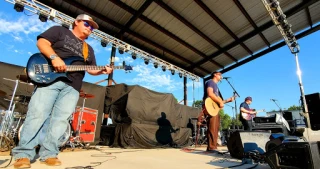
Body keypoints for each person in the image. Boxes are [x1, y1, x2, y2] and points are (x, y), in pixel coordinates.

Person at [12, 14, 113, 168]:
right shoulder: (60, 31)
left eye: (92, 27)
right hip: (50, 79)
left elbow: (91, 70)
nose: (90, 29)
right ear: (77, 22)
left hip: (72, 87)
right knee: (37, 114)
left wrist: (102, 71)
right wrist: (54, 58)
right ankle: (23, 154)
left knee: (60, 120)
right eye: (87, 24)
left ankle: (49, 153)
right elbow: (42, 42)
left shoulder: (89, 49)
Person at [197, 71, 234, 152]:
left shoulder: (216, 86)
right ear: (215, 74)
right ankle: (211, 147)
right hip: (209, 107)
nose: (221, 76)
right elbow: (210, 94)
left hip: (214, 108)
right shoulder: (210, 82)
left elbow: (217, 102)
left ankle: (213, 146)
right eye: (220, 74)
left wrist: (227, 100)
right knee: (212, 127)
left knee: (215, 127)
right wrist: (220, 102)